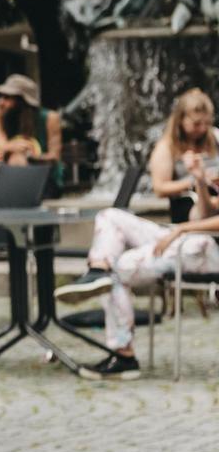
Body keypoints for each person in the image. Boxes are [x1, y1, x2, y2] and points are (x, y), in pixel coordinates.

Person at [58, 147, 218, 379]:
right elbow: (201, 215)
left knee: (119, 268)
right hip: (188, 239)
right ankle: (97, 270)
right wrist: (200, 181)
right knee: (110, 216)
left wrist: (183, 228)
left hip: (207, 251)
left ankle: (124, 354)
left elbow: (197, 223)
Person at [149, 87, 219, 224]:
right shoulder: (166, 147)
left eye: (207, 123)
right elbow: (159, 188)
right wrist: (197, 180)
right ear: (181, 119)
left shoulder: (215, 136)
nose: (203, 129)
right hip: (189, 206)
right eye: (197, 124)